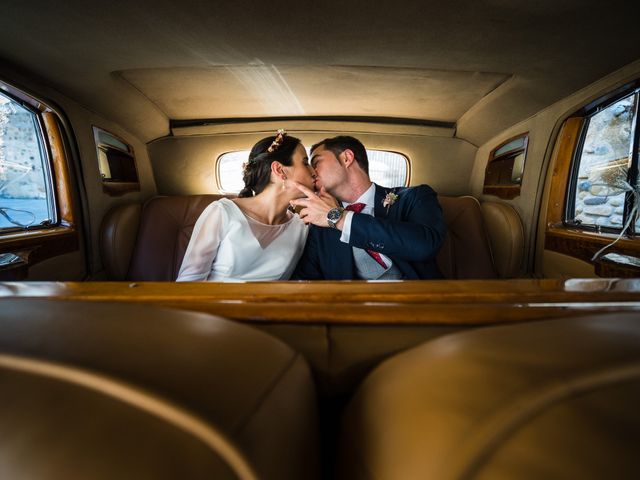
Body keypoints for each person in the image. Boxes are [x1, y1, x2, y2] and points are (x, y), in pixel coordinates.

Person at [290, 135, 446, 280]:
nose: (311, 172)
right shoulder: (319, 227)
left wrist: (339, 218)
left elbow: (426, 245)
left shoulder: (414, 197)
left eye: (316, 163)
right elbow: (305, 281)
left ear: (346, 158)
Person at [177, 130, 316, 281]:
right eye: (305, 163)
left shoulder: (301, 227)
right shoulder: (222, 213)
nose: (314, 172)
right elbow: (189, 282)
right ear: (279, 170)